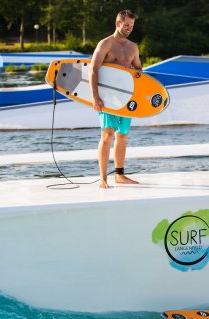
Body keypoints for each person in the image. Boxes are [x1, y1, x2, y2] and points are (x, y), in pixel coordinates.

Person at [90, 9, 142, 189]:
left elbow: (139, 72)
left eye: (132, 26)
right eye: (126, 25)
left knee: (123, 135)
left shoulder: (133, 47)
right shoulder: (105, 44)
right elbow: (93, 70)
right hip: (107, 98)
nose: (129, 28)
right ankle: (103, 178)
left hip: (126, 98)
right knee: (107, 135)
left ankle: (119, 175)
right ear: (117, 23)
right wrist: (95, 98)